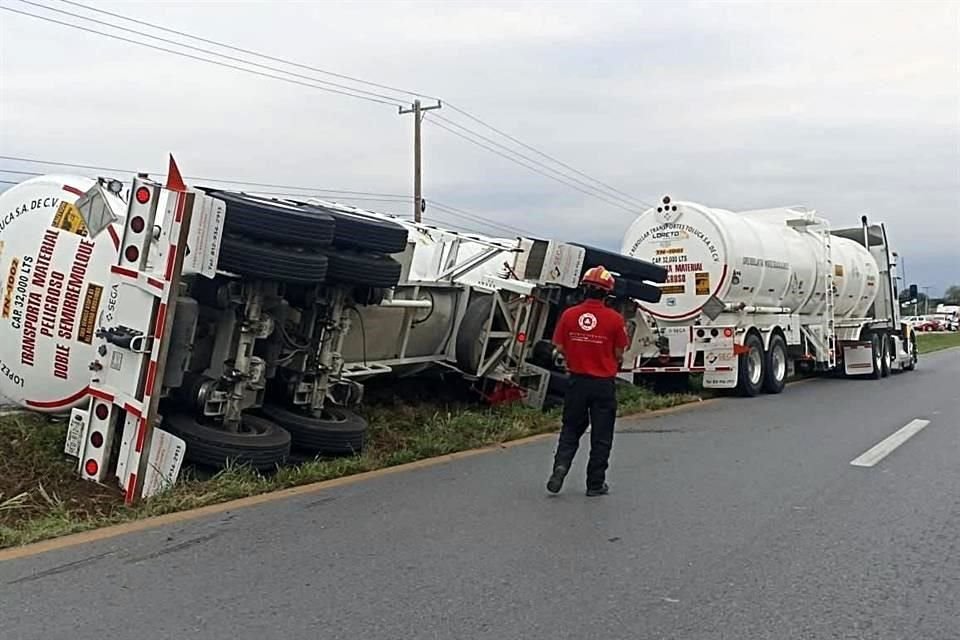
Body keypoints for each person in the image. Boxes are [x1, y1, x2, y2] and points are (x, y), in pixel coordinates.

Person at [546, 265, 628, 497]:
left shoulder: (569, 315)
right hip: (603, 385)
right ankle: (595, 484)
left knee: (570, 429)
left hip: (576, 382)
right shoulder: (614, 319)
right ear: (607, 294)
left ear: (584, 289)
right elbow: (620, 352)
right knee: (601, 436)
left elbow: (559, 347)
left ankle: (560, 468)